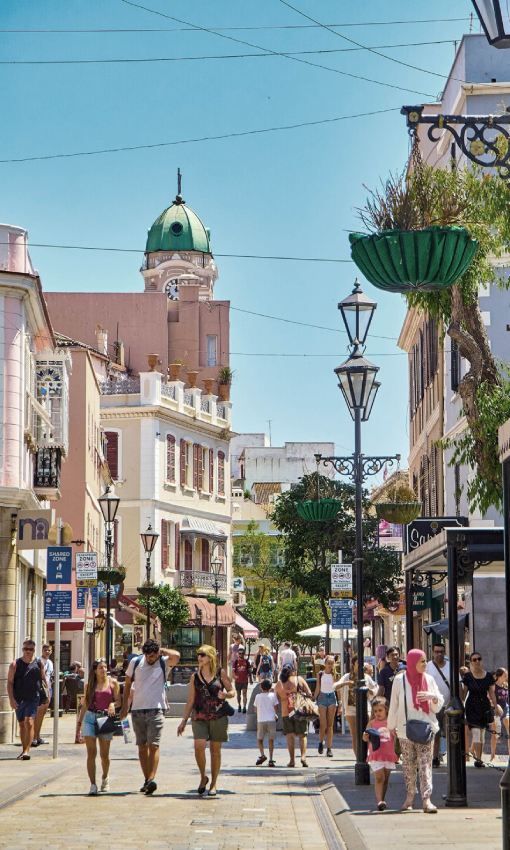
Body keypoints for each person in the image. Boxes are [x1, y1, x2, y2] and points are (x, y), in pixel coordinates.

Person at [121, 639, 180, 795]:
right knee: (142, 746)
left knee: (153, 745)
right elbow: (127, 684)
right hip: (137, 710)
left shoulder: (163, 662)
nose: (151, 659)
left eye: (153, 655)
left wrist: (162, 651)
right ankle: (147, 779)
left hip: (156, 709)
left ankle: (151, 778)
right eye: (148, 656)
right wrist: (125, 705)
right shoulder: (136, 662)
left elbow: (177, 656)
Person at [388, 648, 443, 814]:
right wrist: (391, 727)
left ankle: (427, 800)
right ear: (413, 662)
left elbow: (438, 703)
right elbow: (394, 705)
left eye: (425, 660)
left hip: (426, 728)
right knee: (408, 765)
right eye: (422, 661)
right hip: (405, 730)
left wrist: (431, 697)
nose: (425, 664)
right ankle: (410, 797)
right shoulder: (399, 680)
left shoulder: (429, 679)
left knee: (425, 764)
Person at [177, 644, 234, 796]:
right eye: (198, 654)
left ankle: (214, 784)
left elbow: (232, 691)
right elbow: (190, 701)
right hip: (199, 717)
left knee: (215, 751)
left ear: (210, 658)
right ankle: (203, 777)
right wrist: (183, 721)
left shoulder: (220, 673)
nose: (199, 657)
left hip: (218, 716)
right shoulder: (194, 677)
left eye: (202, 655)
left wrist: (226, 695)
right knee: (198, 746)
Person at [76, 658, 121, 795]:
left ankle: (105, 778)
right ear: (95, 670)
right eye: (101, 668)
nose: (104, 670)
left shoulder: (113, 683)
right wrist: (79, 723)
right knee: (91, 753)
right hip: (90, 717)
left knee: (104, 754)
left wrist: (113, 704)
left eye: (105, 667)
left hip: (105, 718)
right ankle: (93, 784)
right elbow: (85, 704)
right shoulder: (89, 685)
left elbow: (119, 701)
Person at [7, 639, 48, 760]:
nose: (28, 651)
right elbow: (9, 683)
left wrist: (48, 695)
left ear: (34, 650)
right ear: (22, 649)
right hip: (18, 698)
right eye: (26, 649)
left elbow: (43, 679)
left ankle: (26, 751)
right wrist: (11, 699)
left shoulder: (39, 663)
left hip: (33, 698)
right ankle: (24, 749)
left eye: (31, 649)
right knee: (21, 725)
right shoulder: (15, 664)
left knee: (29, 722)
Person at [461, 651, 497, 767]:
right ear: (471, 662)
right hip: (472, 706)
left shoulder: (488, 676)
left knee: (481, 734)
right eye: (474, 660)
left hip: (484, 707)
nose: (477, 661)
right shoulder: (468, 676)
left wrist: (495, 707)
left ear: (482, 660)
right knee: (476, 732)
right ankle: (478, 759)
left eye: (479, 659)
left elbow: (492, 693)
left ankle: (479, 758)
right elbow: (463, 694)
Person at [337, 655, 378, 758]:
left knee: (367, 733)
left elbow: (375, 690)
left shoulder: (366, 677)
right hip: (351, 709)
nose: (361, 665)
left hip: (365, 708)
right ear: (353, 664)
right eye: (358, 663)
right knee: (355, 736)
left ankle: (367, 756)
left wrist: (370, 690)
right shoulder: (347, 676)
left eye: (362, 663)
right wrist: (345, 683)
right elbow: (336, 686)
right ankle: (359, 759)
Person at [363, 697, 397, 812]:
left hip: (388, 755)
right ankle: (379, 801)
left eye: (380, 710)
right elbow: (365, 736)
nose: (377, 713)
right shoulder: (372, 723)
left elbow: (396, 735)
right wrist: (365, 736)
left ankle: (382, 800)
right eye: (375, 711)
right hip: (376, 754)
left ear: (386, 710)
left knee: (385, 779)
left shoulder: (391, 723)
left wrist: (395, 732)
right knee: (379, 778)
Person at [275, 664, 313, 767]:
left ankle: (292, 760)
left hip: (286, 712)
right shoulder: (299, 679)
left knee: (290, 736)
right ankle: (303, 757)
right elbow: (309, 693)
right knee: (302, 735)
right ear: (292, 671)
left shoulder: (279, 684)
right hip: (299, 710)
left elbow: (275, 699)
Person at [425, 643, 450, 768]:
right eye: (437, 651)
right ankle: (434, 757)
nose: (439, 654)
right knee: (435, 733)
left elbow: (459, 684)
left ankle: (451, 758)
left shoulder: (450, 666)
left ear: (444, 653)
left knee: (450, 733)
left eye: (441, 651)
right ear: (433, 652)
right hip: (432, 706)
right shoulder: (428, 666)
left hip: (448, 705)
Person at [314, 655, 340, 758]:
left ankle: (329, 748)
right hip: (322, 697)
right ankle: (321, 742)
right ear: (325, 664)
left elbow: (337, 689)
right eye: (328, 663)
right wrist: (313, 699)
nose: (330, 665)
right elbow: (317, 688)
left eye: (332, 663)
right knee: (323, 724)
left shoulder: (335, 675)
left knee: (330, 725)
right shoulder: (320, 674)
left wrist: (341, 702)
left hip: (332, 698)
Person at [254, 679, 279, 767]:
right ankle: (271, 760)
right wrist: (275, 714)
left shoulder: (257, 696)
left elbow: (255, 709)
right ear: (270, 687)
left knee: (260, 739)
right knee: (271, 740)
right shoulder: (273, 695)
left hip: (261, 720)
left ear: (261, 687)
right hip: (271, 720)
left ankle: (262, 755)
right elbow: (276, 707)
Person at [33, 643, 54, 747]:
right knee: (37, 715)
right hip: (40, 690)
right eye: (45, 650)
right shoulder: (37, 661)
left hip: (48, 689)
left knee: (42, 715)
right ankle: (34, 737)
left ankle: (38, 736)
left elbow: (50, 676)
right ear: (42, 650)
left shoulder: (50, 662)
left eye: (49, 650)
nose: (47, 652)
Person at [492, 667, 509, 760]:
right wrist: (495, 706)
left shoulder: (506, 685)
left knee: (509, 731)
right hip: (496, 712)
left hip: (506, 710)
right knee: (496, 734)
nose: (506, 677)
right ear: (499, 676)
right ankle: (493, 754)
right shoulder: (493, 686)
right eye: (505, 675)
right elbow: (489, 698)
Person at [232, 646, 252, 713]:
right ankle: (239, 705)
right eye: (240, 653)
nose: (241, 654)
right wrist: (234, 676)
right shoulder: (236, 661)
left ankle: (244, 707)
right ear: (238, 654)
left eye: (242, 653)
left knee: (244, 694)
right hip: (237, 681)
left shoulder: (247, 661)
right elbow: (233, 671)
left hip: (245, 681)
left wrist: (251, 679)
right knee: (238, 695)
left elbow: (249, 671)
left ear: (244, 654)